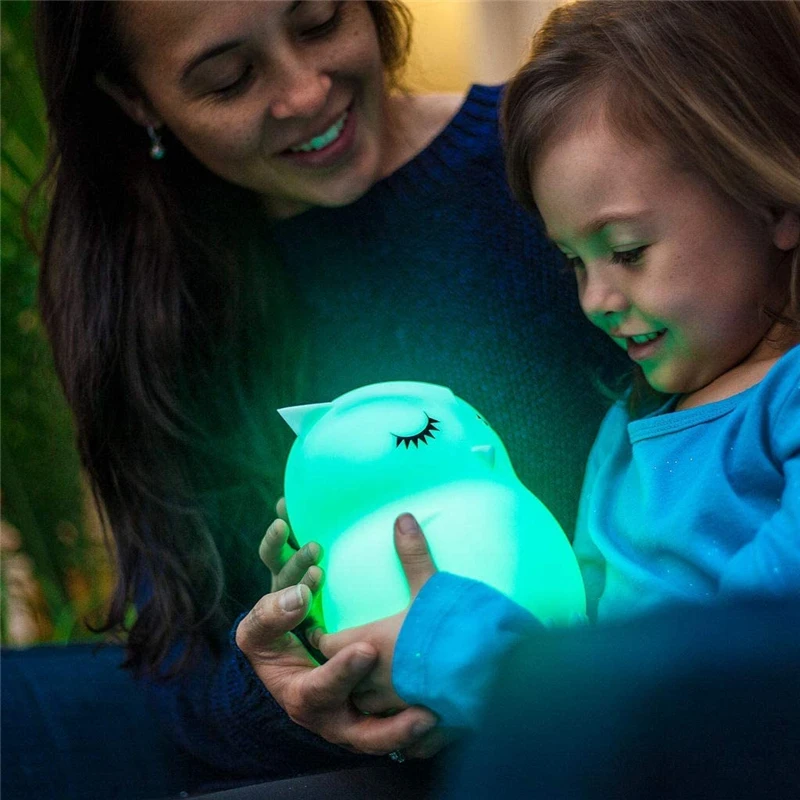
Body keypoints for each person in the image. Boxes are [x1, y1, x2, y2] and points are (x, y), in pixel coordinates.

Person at [19, 0, 623, 790]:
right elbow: (180, 665)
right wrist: (288, 696)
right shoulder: (151, 301)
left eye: (318, 22)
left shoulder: (557, 161)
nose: (304, 93)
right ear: (135, 100)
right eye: (228, 79)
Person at [314, 0, 800, 734]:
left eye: (627, 250)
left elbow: (735, 676)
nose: (596, 299)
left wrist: (466, 652)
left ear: (772, 200)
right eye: (574, 261)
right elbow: (581, 640)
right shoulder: (626, 430)